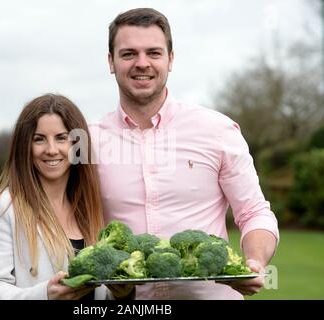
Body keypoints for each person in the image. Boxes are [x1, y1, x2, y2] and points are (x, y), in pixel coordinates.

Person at [90, 8, 279, 299]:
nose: (142, 63)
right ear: (110, 62)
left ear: (170, 59)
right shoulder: (88, 141)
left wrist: (254, 262)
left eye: (154, 53)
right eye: (128, 54)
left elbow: (254, 212)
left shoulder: (218, 130)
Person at [0, 93, 133, 300]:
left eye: (61, 138)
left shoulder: (90, 209)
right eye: (39, 139)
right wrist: (45, 295)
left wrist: (123, 295)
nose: (51, 150)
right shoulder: (2, 206)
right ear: (25, 147)